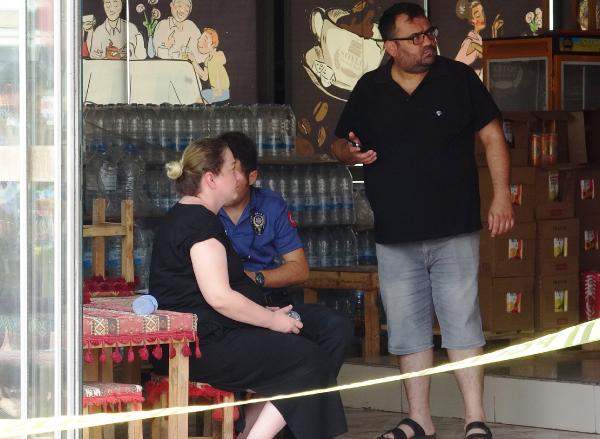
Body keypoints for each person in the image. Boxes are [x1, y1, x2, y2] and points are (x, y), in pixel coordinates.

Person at [332, 3, 514, 439]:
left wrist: (502, 195)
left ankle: (475, 418)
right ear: (391, 47)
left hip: (455, 227)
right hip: (395, 232)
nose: (428, 42)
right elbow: (338, 142)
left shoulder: (458, 79)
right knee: (406, 328)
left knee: (462, 321)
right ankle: (419, 418)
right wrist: (349, 153)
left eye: (430, 33)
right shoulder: (370, 88)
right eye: (415, 38)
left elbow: (493, 137)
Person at [149, 138, 348, 439]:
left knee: (322, 334)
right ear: (211, 179)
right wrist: (271, 321)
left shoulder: (191, 217)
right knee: (309, 359)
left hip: (213, 333)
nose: (238, 177)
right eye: (232, 169)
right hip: (201, 345)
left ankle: (257, 430)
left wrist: (264, 313)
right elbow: (220, 297)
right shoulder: (199, 226)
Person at [217, 131, 353, 376]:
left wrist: (256, 278)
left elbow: (299, 269)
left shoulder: (270, 205)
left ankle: (312, 393)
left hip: (271, 301)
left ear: (252, 176)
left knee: (336, 326)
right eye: (219, 170)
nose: (224, 178)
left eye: (233, 171)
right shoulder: (205, 207)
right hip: (227, 309)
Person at [192, 28, 231, 104]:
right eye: (200, 38)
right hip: (214, 92)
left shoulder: (217, 56)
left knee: (194, 100)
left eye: (205, 40)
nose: (199, 41)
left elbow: (218, 75)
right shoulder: (207, 60)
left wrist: (215, 96)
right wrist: (193, 61)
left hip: (221, 93)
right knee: (194, 97)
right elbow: (204, 77)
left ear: (213, 44)